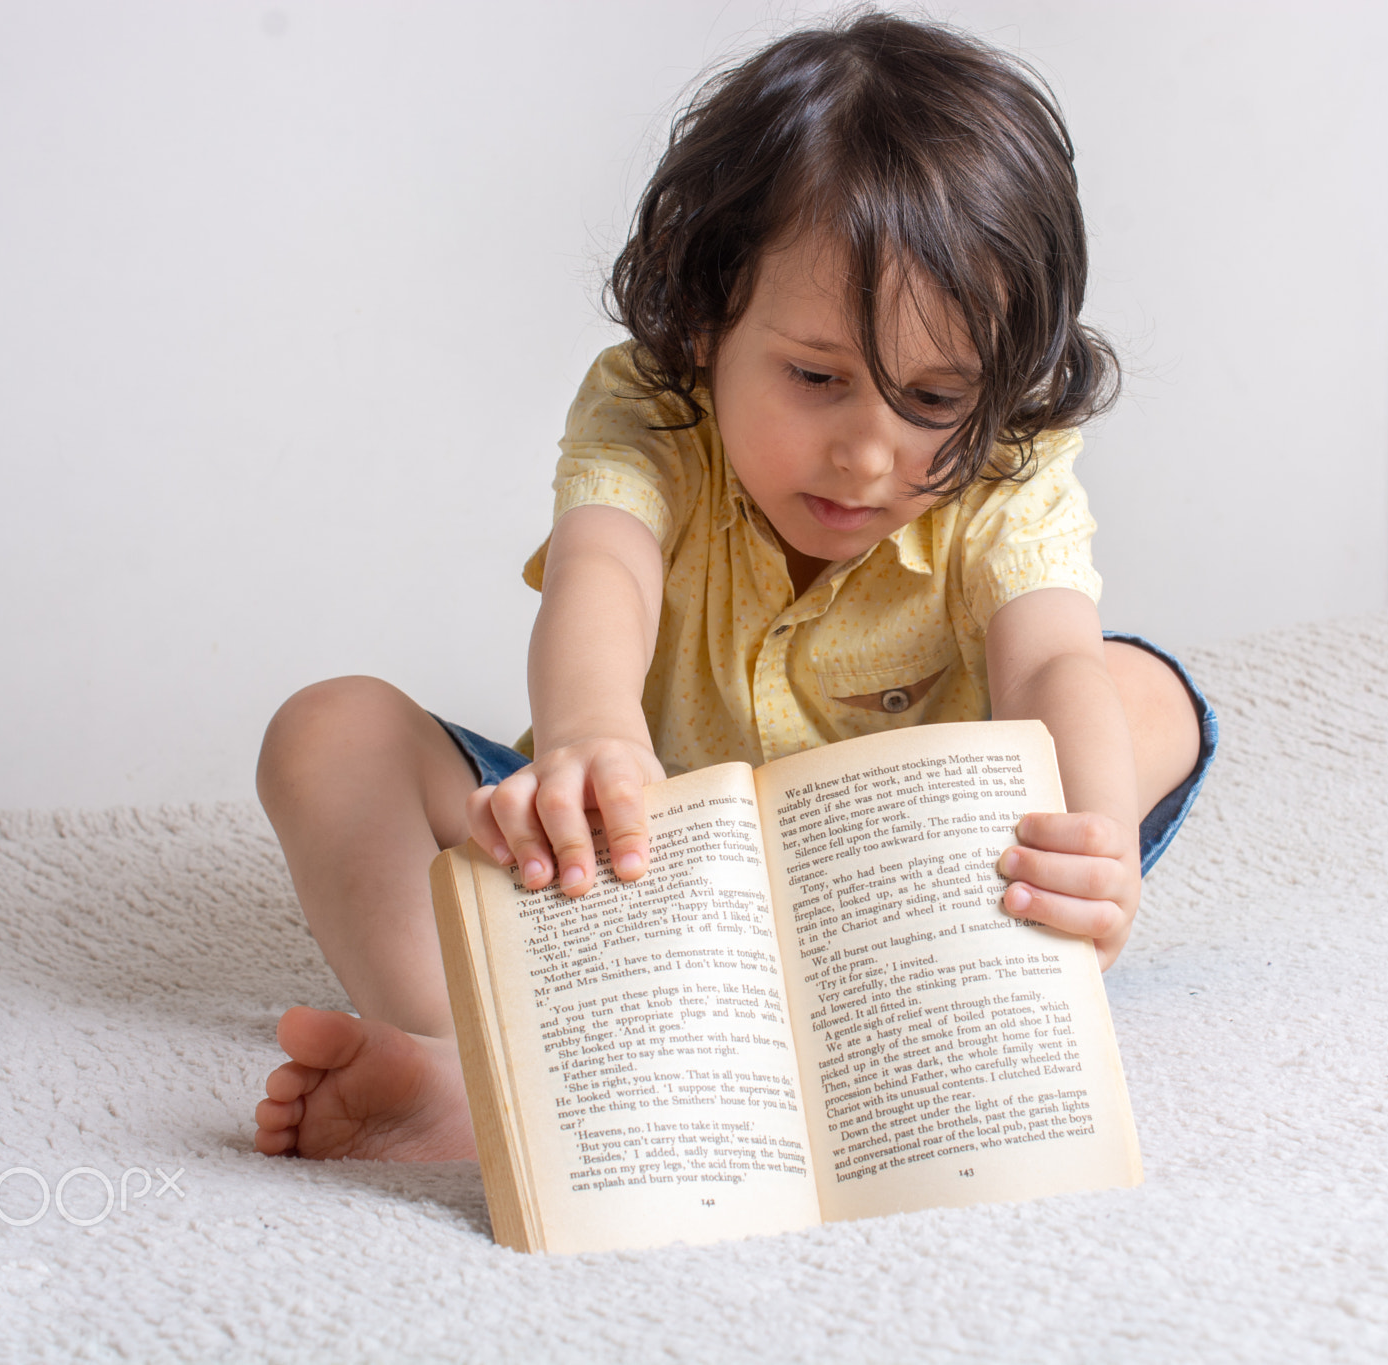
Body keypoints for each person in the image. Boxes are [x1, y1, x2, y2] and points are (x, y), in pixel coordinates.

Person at [252, 11, 1217, 1161]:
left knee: (1130, 684)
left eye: (933, 400)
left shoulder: (1004, 464)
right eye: (816, 377)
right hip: (639, 862)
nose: (869, 454)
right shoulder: (651, 409)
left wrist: (1093, 839)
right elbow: (599, 565)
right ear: (705, 318)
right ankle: (480, 1067)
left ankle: (956, 970)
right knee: (329, 730)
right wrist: (589, 741)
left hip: (902, 875)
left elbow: (1051, 656)